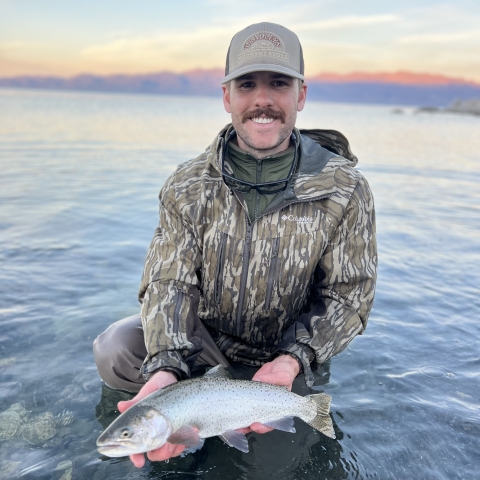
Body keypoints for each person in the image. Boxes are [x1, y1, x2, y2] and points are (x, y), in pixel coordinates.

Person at [94, 22, 377, 468]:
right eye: (247, 84)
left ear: (300, 95)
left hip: (282, 357)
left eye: (278, 83)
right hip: (204, 344)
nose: (262, 99)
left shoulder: (345, 189)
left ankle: (247, 411)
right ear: (227, 96)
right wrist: (166, 366)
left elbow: (350, 295)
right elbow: (170, 282)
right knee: (116, 346)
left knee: (267, 467)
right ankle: (183, 416)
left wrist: (293, 359)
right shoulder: (187, 185)